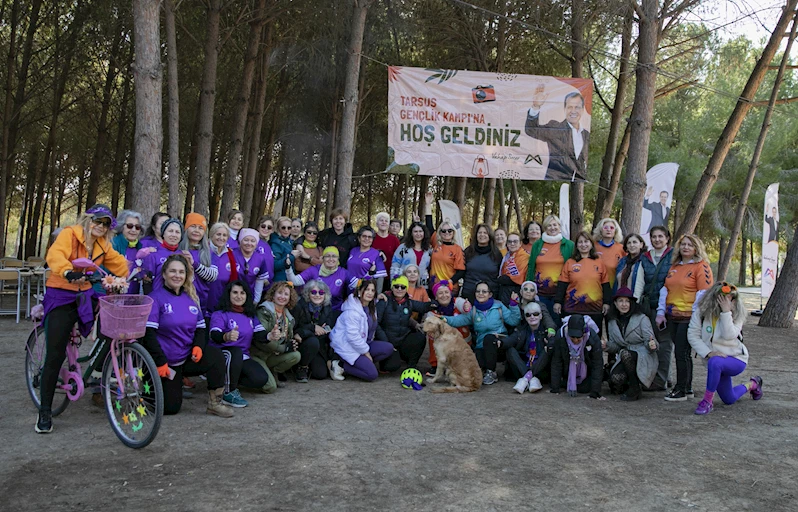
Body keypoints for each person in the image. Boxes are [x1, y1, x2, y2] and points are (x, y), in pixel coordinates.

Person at [35, 205, 130, 433]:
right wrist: (67, 271)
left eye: (106, 224)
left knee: (108, 325)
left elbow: (118, 263)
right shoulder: (70, 233)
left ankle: (94, 369)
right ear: (88, 219)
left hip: (84, 293)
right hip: (61, 293)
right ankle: (45, 412)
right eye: (98, 221)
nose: (101, 226)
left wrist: (135, 269)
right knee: (55, 352)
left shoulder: (101, 244)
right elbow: (55, 255)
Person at [141, 255, 233, 418]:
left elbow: (200, 329)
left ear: (186, 275)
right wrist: (160, 361)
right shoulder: (155, 298)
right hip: (165, 363)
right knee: (170, 408)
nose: (177, 275)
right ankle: (149, 390)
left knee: (216, 356)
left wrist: (198, 346)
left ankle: (215, 403)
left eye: (181, 272)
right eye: (173, 271)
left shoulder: (191, 297)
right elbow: (148, 335)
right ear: (164, 274)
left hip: (186, 358)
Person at [688, 282, 763, 415]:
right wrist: (708, 352)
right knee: (729, 399)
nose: (727, 302)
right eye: (723, 298)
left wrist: (726, 312)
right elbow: (692, 335)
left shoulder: (737, 314)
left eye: (731, 299)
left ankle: (707, 401)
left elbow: (729, 335)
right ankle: (753, 384)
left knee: (715, 362)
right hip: (715, 361)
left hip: (736, 359)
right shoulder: (702, 312)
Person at [657, 234, 714, 402]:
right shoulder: (675, 266)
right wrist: (661, 312)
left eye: (690, 245)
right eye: (683, 244)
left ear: (696, 247)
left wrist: (697, 315)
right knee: (681, 352)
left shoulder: (701, 266)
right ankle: (686, 387)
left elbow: (703, 292)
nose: (686, 247)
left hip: (689, 317)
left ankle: (681, 389)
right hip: (672, 316)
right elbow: (665, 289)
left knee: (681, 352)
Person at [442, 281, 520, 385]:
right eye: (478, 291)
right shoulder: (473, 310)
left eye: (484, 291)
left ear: (490, 294)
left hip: (498, 343)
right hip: (481, 346)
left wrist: (514, 305)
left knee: (489, 338)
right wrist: (444, 319)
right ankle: (483, 370)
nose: (481, 293)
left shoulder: (498, 306)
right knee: (475, 369)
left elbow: (513, 320)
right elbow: (459, 320)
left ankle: (491, 373)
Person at [209, 280, 270, 408]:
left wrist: (271, 336)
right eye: (235, 292)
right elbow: (214, 335)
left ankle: (229, 380)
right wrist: (226, 336)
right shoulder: (220, 314)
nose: (239, 296)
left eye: (242, 293)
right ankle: (228, 392)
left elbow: (260, 335)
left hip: (242, 357)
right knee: (235, 351)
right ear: (228, 295)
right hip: (221, 355)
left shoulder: (250, 315)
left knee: (261, 379)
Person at [329, 279, 396, 381]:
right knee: (372, 375)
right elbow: (352, 338)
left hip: (363, 343)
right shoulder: (352, 312)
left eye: (372, 290)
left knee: (388, 348)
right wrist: (366, 353)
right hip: (348, 347)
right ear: (360, 292)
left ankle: (361, 364)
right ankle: (340, 364)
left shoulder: (371, 307)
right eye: (367, 289)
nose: (370, 293)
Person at [605, 287, 659, 401]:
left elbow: (651, 341)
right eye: (620, 301)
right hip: (624, 355)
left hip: (643, 354)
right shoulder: (612, 321)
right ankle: (631, 383)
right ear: (615, 303)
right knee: (616, 379)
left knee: (625, 353)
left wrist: (651, 345)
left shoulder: (641, 318)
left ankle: (635, 388)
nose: (624, 304)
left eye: (627, 301)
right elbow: (616, 346)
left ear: (632, 303)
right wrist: (606, 346)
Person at [524, 87, 589, 181]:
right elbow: (532, 130)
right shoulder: (556, 128)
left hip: (577, 185)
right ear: (565, 109)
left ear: (582, 110)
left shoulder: (586, 135)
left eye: (577, 107)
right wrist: (536, 107)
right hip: (555, 182)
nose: (573, 111)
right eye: (570, 107)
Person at [554, 230, 610, 334]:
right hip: (572, 307)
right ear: (576, 245)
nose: (583, 244)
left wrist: (607, 302)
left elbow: (605, 284)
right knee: (571, 337)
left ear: (591, 244)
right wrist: (558, 301)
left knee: (593, 338)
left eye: (586, 241)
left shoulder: (599, 262)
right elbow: (562, 284)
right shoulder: (570, 262)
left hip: (594, 309)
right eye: (580, 242)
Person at [376, 276, 434, 372]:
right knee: (390, 367)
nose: (399, 289)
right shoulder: (384, 301)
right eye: (396, 286)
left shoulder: (409, 302)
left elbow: (424, 306)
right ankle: (389, 358)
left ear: (406, 289)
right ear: (392, 287)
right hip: (387, 341)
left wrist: (438, 303)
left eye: (403, 287)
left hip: (403, 339)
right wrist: (386, 343)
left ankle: (412, 365)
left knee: (420, 337)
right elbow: (376, 324)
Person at [640, 226, 674, 391]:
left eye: (661, 236)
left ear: (667, 238)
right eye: (654, 237)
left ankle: (661, 380)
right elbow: (640, 282)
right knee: (650, 343)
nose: (657, 239)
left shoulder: (673, 256)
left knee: (664, 345)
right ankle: (654, 376)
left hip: (667, 308)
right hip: (649, 306)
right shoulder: (645, 258)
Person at [252, 281, 301, 392]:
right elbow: (260, 340)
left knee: (296, 355)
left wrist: (291, 343)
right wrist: (283, 348)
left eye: (286, 294)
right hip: (258, 355)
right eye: (279, 293)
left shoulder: (287, 315)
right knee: (270, 388)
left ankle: (272, 371)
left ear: (290, 298)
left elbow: (285, 338)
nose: (282, 297)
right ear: (273, 295)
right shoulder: (264, 311)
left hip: (272, 355)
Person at [525, 214, 574, 325]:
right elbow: (531, 266)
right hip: (540, 293)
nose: (552, 228)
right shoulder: (538, 244)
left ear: (559, 226)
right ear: (545, 228)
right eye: (549, 225)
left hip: (561, 293)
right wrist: (529, 287)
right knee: (542, 322)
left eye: (555, 225)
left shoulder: (569, 245)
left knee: (558, 322)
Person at [291, 279, 338, 381]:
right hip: (303, 344)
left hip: (319, 345)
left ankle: (309, 365)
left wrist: (318, 329)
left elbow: (328, 327)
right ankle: (301, 367)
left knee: (320, 374)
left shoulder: (327, 307)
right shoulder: (299, 306)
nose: (317, 295)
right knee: (313, 341)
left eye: (321, 292)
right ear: (308, 293)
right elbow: (295, 329)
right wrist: (314, 328)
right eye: (313, 292)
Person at [549, 314, 604, 399]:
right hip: (566, 371)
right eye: (572, 337)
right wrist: (555, 388)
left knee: (585, 388)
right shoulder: (561, 336)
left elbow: (597, 363)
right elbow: (557, 361)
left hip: (586, 372)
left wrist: (595, 391)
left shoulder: (593, 338)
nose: (575, 340)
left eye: (578, 337)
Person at [286, 246, 357, 311]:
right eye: (327, 256)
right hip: (314, 310)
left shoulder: (343, 272)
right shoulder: (314, 270)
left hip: (335, 310)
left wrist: (349, 298)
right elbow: (295, 281)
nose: (331, 259)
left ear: (338, 259)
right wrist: (288, 268)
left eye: (334, 256)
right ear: (322, 258)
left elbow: (357, 284)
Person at [424, 280, 472, 377]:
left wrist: (467, 307)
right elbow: (428, 321)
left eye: (446, 292)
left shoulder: (457, 301)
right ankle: (436, 364)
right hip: (442, 340)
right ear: (436, 297)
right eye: (440, 293)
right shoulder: (433, 308)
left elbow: (465, 308)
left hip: (461, 340)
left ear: (450, 294)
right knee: (433, 333)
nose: (444, 295)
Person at [506, 302, 554, 394]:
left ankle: (525, 379)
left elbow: (554, 343)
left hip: (540, 369)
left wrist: (549, 343)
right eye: (528, 315)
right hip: (524, 366)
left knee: (547, 350)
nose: (532, 317)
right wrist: (500, 342)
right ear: (525, 317)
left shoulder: (547, 330)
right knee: (510, 350)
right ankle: (529, 378)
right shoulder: (522, 329)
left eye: (535, 314)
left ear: (541, 316)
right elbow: (511, 339)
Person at [179, 213, 218, 317]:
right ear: (186, 229)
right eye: (193, 226)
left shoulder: (209, 252)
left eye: (201, 228)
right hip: (180, 297)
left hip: (201, 299)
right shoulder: (178, 249)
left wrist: (195, 264)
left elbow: (213, 276)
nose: (196, 230)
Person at [461, 224, 502, 302]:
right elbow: (461, 271)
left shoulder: (496, 254)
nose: (482, 235)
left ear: (490, 235)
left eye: (485, 233)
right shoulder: (468, 252)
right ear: (476, 235)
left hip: (490, 295)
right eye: (480, 233)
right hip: (469, 294)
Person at [142, 218, 184, 292]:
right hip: (157, 299)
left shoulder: (184, 256)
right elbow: (147, 283)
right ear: (163, 234)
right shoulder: (153, 254)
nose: (174, 235)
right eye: (170, 231)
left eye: (177, 232)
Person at [233, 228, 273, 303]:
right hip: (232, 296)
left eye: (252, 241)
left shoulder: (260, 258)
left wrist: (256, 300)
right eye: (246, 240)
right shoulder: (232, 255)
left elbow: (259, 281)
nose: (249, 243)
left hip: (249, 297)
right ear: (240, 241)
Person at [427, 219, 466, 295]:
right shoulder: (436, 245)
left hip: (449, 288)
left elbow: (461, 271)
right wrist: (427, 207)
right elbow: (430, 228)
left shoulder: (457, 249)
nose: (447, 233)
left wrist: (449, 282)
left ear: (453, 232)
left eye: (449, 230)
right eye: (443, 231)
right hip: (434, 286)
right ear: (440, 233)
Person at [207, 223, 238, 314]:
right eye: (218, 234)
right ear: (212, 235)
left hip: (221, 302)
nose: (221, 238)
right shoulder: (204, 250)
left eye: (224, 235)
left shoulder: (229, 254)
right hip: (203, 300)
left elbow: (233, 279)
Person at [111, 209, 144, 294]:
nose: (133, 230)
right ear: (122, 226)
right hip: (114, 296)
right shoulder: (113, 244)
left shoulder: (141, 247)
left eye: (137, 227)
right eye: (129, 226)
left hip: (135, 297)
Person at [391, 221, 432, 287]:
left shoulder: (428, 250)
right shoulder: (403, 248)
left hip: (421, 286)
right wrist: (394, 283)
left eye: (420, 231)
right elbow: (395, 266)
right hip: (403, 285)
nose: (418, 234)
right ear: (411, 233)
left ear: (424, 233)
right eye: (415, 231)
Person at [592, 218, 625, 289]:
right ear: (600, 230)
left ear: (615, 231)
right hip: (595, 287)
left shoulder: (621, 248)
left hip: (613, 287)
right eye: (605, 227)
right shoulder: (592, 246)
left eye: (612, 228)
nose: (608, 229)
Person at [498, 232, 530, 305]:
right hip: (505, 291)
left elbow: (519, 277)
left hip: (517, 292)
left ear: (520, 243)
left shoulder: (524, 256)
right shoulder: (507, 256)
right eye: (509, 241)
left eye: (515, 241)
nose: (512, 244)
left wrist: (501, 279)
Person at [614, 233, 646, 299]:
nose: (632, 245)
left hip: (636, 301)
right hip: (620, 301)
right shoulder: (622, 261)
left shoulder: (645, 261)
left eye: (634, 242)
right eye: (629, 243)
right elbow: (616, 283)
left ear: (641, 245)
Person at [372, 212, 401, 278]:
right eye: (381, 220)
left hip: (391, 274)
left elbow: (399, 257)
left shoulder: (394, 239)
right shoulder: (372, 238)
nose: (384, 222)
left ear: (388, 225)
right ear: (376, 223)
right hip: (375, 274)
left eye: (386, 221)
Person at [269, 216, 296, 283]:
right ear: (278, 228)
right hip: (279, 280)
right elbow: (274, 265)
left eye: (289, 228)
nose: (286, 230)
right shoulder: (275, 243)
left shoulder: (289, 242)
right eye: (283, 228)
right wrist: (292, 256)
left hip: (289, 279)